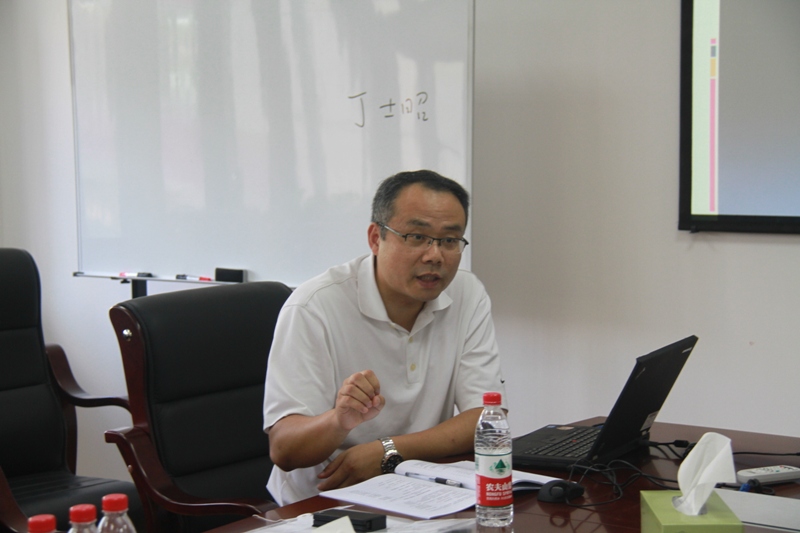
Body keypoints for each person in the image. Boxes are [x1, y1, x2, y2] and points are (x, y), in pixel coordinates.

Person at [263, 169, 507, 505]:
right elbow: (284, 449)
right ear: (376, 238)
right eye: (417, 237)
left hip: (422, 494)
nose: (435, 255)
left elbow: (487, 419)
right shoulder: (313, 307)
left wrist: (388, 451)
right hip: (323, 503)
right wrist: (338, 421)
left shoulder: (467, 293)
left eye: (450, 240)